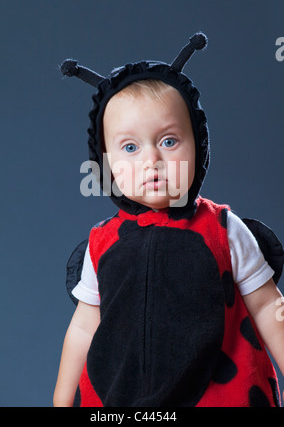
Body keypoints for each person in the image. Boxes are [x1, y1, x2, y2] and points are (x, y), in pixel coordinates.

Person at [53, 33, 284, 407]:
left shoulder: (225, 231)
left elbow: (266, 307)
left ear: (199, 143)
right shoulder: (102, 244)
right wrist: (62, 398)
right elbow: (83, 326)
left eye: (169, 141)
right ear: (105, 162)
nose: (152, 161)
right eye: (130, 147)